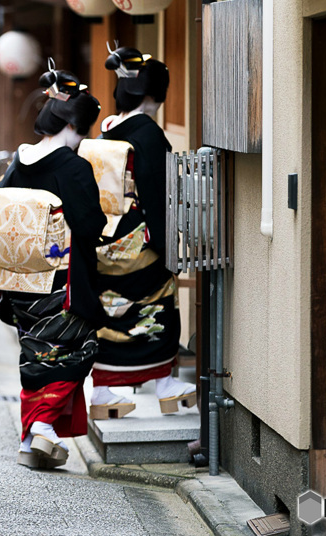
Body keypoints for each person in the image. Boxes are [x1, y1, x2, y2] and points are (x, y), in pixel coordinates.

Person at [0, 67, 105, 469]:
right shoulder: (72, 167)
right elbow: (90, 225)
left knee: (33, 352)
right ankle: (42, 426)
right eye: (82, 131)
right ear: (72, 125)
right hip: (59, 281)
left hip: (19, 280)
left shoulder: (18, 160)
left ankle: (31, 438)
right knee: (73, 349)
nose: (82, 139)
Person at [88, 46, 196, 417]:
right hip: (139, 241)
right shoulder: (148, 134)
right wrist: (168, 247)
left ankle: (103, 392)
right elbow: (157, 195)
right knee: (159, 305)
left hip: (105, 238)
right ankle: (165, 386)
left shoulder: (107, 129)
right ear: (153, 94)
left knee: (110, 312)